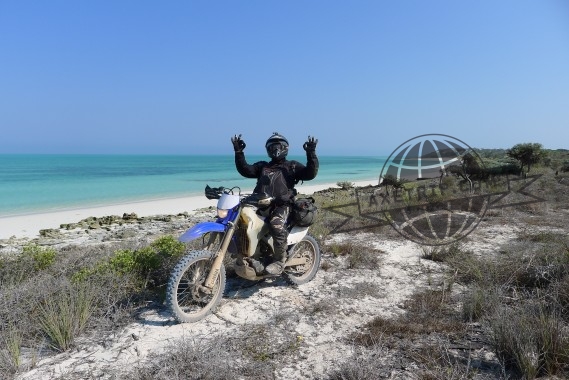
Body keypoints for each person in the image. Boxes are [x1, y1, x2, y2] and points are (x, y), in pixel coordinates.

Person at [231, 132, 319, 275]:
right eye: (272, 146)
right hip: (261, 203)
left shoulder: (292, 166)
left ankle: (279, 261)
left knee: (275, 224)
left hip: (283, 206)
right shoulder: (262, 166)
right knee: (241, 221)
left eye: (278, 146)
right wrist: (238, 152)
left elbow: (310, 173)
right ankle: (251, 255)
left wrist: (311, 153)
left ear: (285, 147)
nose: (275, 149)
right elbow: (246, 170)